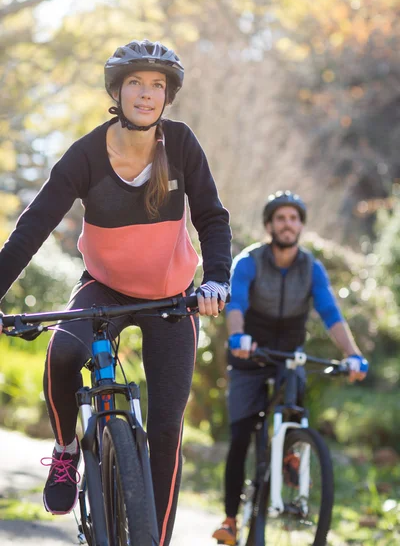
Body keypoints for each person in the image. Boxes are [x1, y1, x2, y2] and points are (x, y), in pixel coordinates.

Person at [0, 39, 231, 546]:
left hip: (172, 298)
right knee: (63, 353)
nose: (146, 94)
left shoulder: (182, 144)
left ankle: (156, 540)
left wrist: (216, 279)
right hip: (102, 287)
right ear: (117, 91)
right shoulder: (85, 154)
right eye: (135, 83)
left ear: (167, 96)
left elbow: (213, 217)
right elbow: (33, 227)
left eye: (157, 86)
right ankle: (65, 453)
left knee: (168, 431)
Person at [212, 190, 368, 545]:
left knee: (295, 410)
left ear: (301, 226)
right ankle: (231, 519)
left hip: (289, 355)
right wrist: (238, 337)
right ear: (269, 225)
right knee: (240, 438)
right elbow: (236, 303)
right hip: (250, 355)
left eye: (294, 219)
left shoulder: (311, 268)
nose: (288, 224)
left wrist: (353, 354)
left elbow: (330, 313)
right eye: (281, 218)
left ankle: (293, 459)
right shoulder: (250, 261)